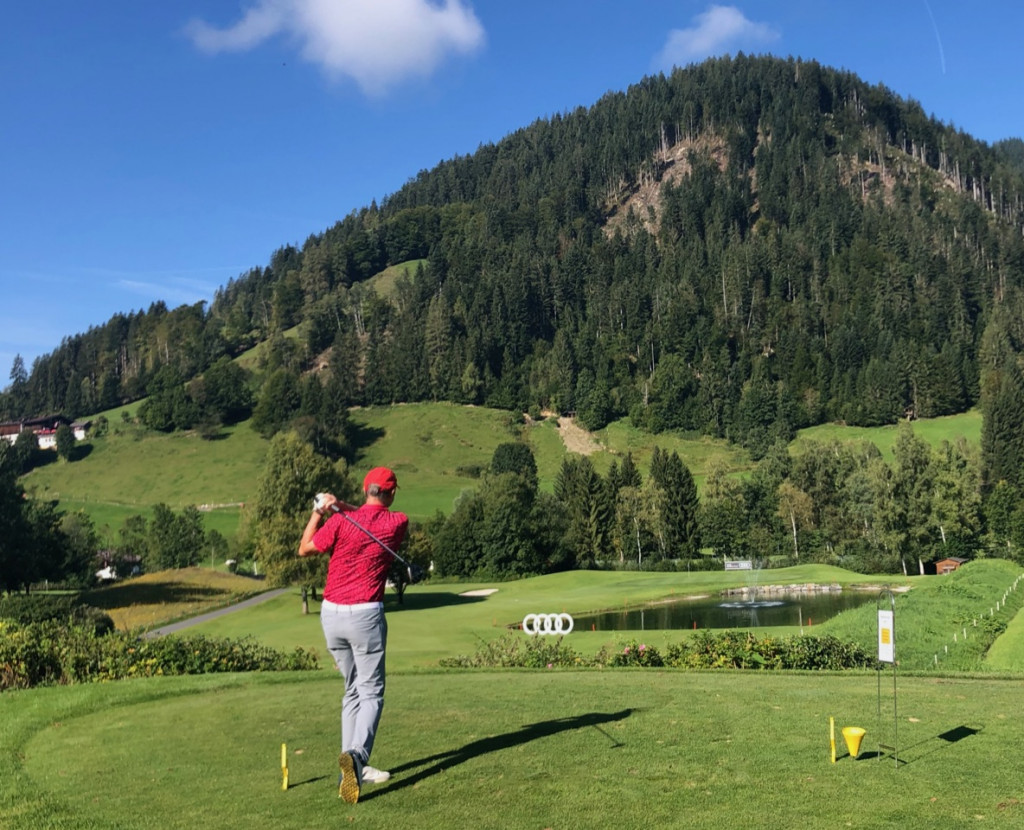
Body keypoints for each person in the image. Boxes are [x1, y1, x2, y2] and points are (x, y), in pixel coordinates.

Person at [298, 466, 409, 804]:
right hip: (365, 615)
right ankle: (358, 757)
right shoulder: (397, 522)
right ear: (390, 494)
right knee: (372, 691)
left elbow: (304, 548)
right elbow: (371, 518)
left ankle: (352, 766)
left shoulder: (341, 522)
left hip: (330, 614)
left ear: (365, 490)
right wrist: (339, 506)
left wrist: (321, 512)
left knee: (352, 691)